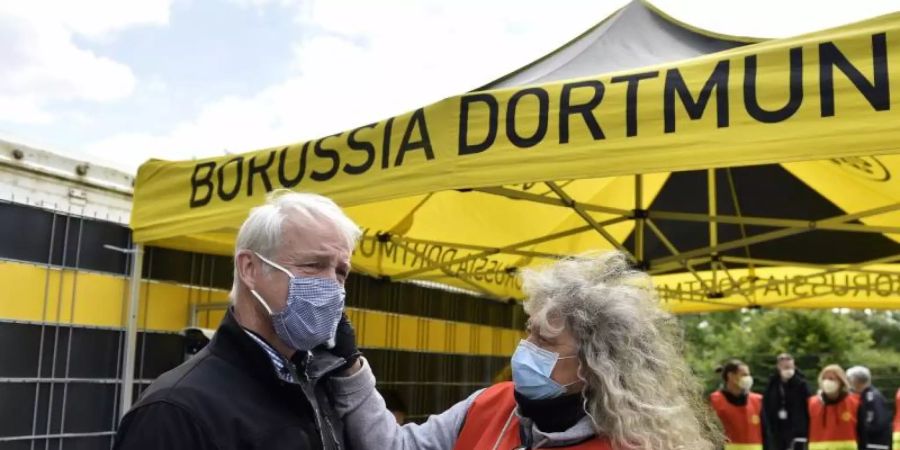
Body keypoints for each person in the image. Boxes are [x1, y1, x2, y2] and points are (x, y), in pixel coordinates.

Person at [328, 252, 723, 450]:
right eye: (529, 331)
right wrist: (351, 368)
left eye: (546, 342)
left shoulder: (628, 444)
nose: (524, 349)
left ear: (595, 365)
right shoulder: (490, 403)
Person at [114, 191, 362, 449]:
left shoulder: (322, 385)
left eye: (341, 272)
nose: (332, 285)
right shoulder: (174, 412)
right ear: (249, 269)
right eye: (313, 265)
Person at [710, 359, 765, 450]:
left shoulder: (758, 400)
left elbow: (769, 432)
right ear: (731, 376)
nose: (748, 378)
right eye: (744, 375)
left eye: (748, 375)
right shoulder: (715, 400)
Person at [762, 353, 812, 450]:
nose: (788, 370)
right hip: (777, 428)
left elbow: (808, 405)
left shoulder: (801, 384)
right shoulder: (772, 384)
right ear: (778, 367)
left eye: (790, 367)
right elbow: (766, 404)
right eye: (785, 367)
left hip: (797, 428)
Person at [808, 365, 860, 450]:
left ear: (841, 382)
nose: (827, 382)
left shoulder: (855, 402)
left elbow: (862, 433)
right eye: (824, 378)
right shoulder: (812, 403)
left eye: (831, 379)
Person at [847, 366, 892, 450]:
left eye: (849, 380)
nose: (848, 384)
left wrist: (858, 430)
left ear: (856, 381)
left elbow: (876, 422)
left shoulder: (871, 397)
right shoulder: (867, 395)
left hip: (874, 445)